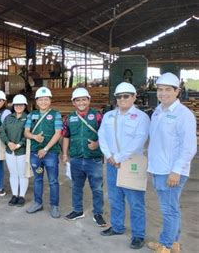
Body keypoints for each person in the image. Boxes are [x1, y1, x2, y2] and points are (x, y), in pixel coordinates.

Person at [147, 73, 197, 253]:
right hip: (159, 168)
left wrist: (176, 171)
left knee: (169, 211)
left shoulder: (184, 115)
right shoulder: (158, 111)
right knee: (171, 208)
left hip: (171, 171)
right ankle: (174, 244)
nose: (163, 93)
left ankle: (165, 245)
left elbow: (189, 147)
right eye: (160, 90)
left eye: (168, 90)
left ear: (178, 91)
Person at [98, 82, 150, 249]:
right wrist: (109, 156)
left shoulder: (142, 117)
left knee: (135, 201)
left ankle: (138, 235)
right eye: (119, 97)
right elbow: (102, 136)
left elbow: (139, 140)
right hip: (113, 162)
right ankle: (117, 226)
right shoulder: (109, 116)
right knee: (115, 197)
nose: (122, 99)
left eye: (126, 96)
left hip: (131, 163)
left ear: (134, 97)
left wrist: (119, 156)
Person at [61, 87, 107, 227]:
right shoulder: (69, 118)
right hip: (76, 158)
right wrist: (64, 154)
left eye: (84, 99)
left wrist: (97, 144)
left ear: (88, 100)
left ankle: (98, 213)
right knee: (76, 186)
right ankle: (77, 210)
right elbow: (66, 137)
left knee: (97, 188)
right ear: (73, 102)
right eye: (78, 100)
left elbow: (106, 134)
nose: (81, 102)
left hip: (94, 158)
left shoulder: (98, 115)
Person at [25, 87, 62, 218]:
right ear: (36, 101)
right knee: (38, 179)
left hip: (50, 153)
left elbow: (58, 133)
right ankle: (37, 203)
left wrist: (45, 148)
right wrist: (35, 137)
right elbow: (26, 132)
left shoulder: (56, 114)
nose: (43, 102)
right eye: (41, 99)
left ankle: (54, 206)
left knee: (53, 180)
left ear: (50, 101)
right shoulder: (31, 115)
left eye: (46, 99)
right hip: (35, 153)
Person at [0, 94, 29, 207]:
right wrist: (8, 143)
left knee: (22, 174)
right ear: (13, 106)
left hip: (21, 151)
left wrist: (19, 145)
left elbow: (28, 133)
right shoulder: (8, 118)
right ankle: (14, 195)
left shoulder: (28, 118)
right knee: (13, 174)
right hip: (9, 150)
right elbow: (2, 131)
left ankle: (21, 196)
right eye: (16, 105)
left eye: (21, 105)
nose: (18, 107)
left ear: (25, 106)